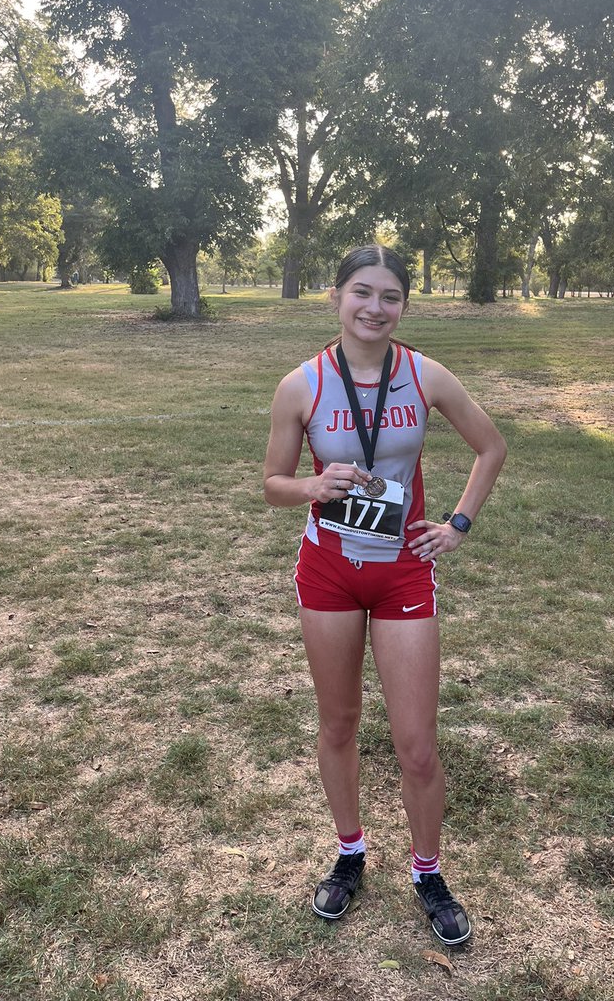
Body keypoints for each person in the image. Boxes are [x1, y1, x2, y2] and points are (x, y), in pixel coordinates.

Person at [263, 245, 507, 946]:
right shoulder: (301, 385)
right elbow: (272, 483)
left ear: (404, 305)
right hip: (329, 572)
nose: (375, 307)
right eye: (361, 292)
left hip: (402, 569)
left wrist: (457, 523)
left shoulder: (424, 374)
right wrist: (310, 487)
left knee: (417, 744)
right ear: (335, 297)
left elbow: (491, 447)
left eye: (391, 296)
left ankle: (428, 872)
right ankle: (349, 856)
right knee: (338, 724)